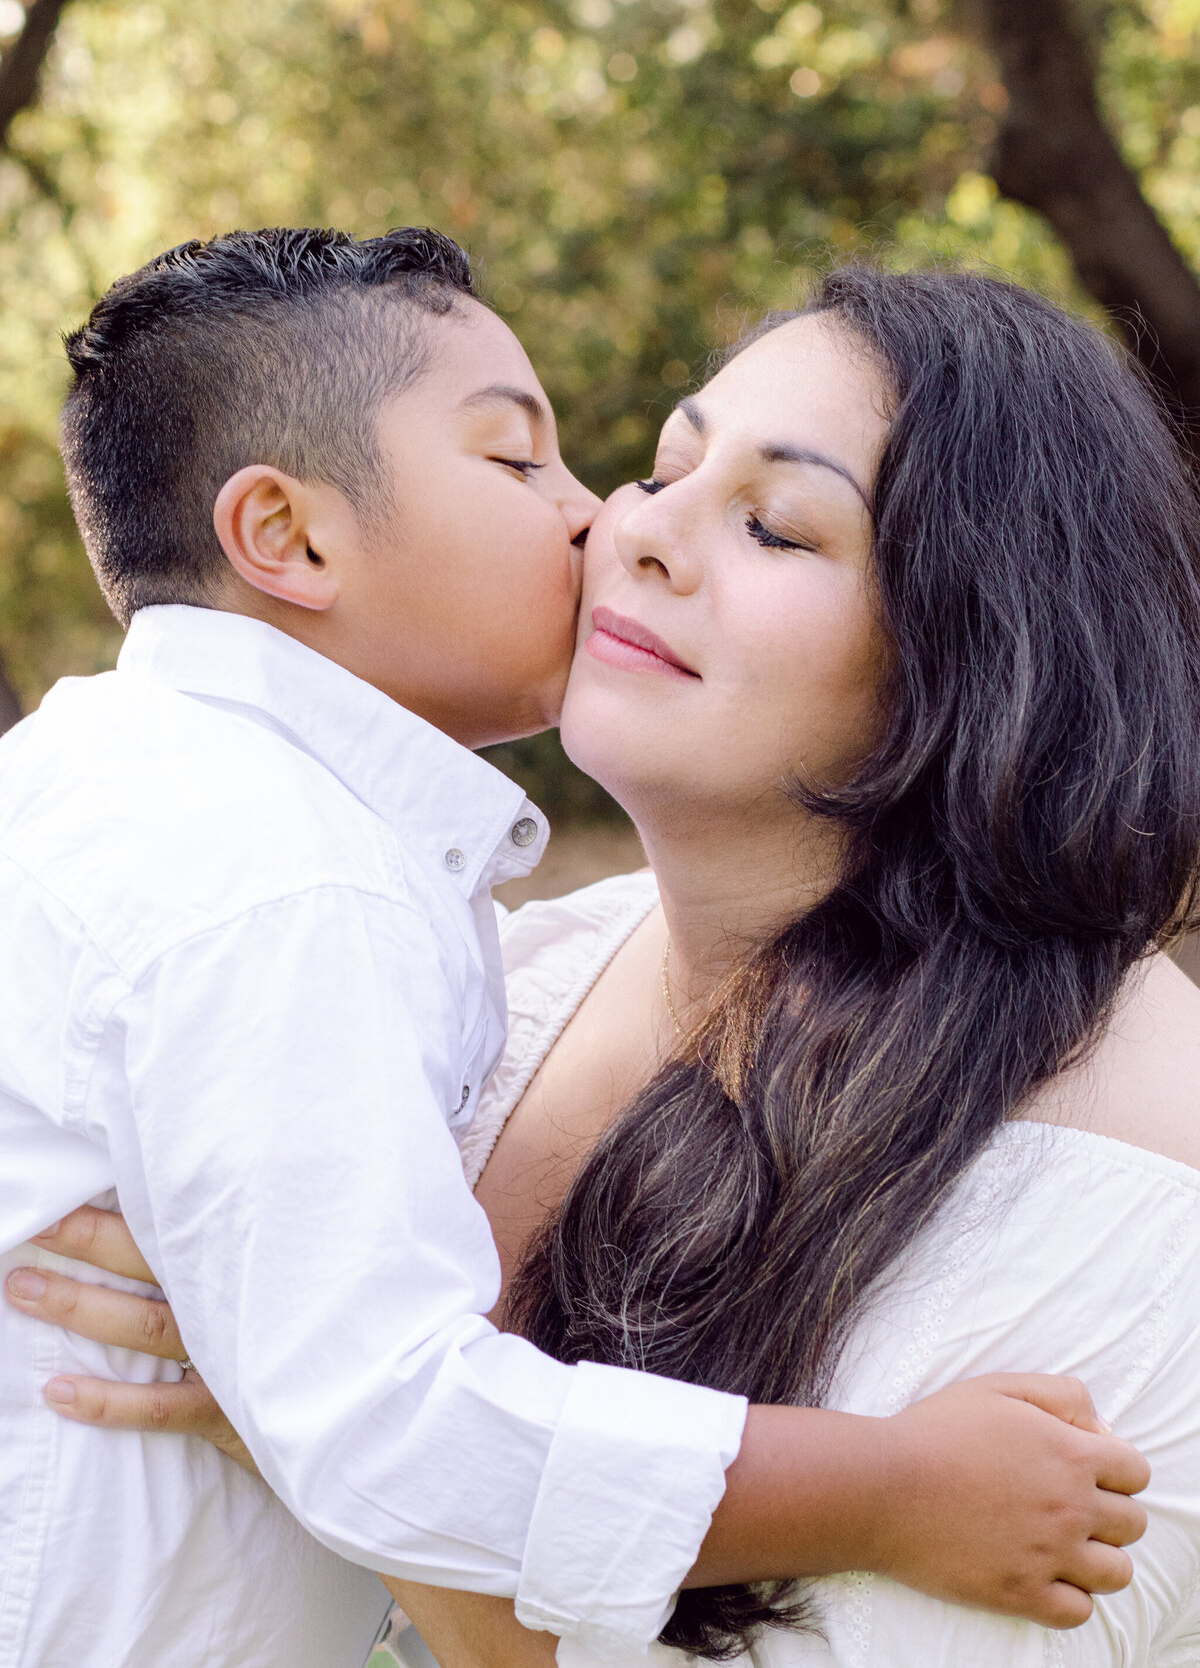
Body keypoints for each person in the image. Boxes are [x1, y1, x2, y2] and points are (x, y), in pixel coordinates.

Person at [20, 265, 1200, 1668]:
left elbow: (363, 1421)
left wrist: (274, 1387)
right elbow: (376, 1415)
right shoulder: (471, 951)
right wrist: (882, 1486)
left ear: (977, 648)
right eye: (660, 468)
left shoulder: (1109, 1171)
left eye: (772, 525)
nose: (616, 526)